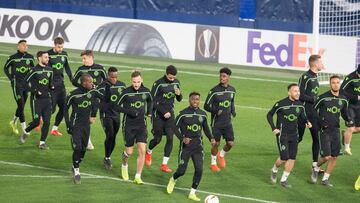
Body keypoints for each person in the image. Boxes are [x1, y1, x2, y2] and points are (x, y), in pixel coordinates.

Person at [167, 92, 215, 201]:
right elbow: (173, 127)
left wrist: (211, 138)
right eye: (193, 99)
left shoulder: (203, 114)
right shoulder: (183, 114)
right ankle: (173, 178)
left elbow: (206, 128)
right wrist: (182, 138)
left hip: (198, 146)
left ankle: (192, 193)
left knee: (199, 169)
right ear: (189, 100)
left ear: (199, 100)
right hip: (186, 146)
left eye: (197, 99)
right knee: (181, 171)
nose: (195, 101)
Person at [267, 84, 311, 188]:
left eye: (298, 91)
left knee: (292, 158)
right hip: (282, 134)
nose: (298, 93)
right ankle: (274, 169)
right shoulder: (281, 104)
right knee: (284, 157)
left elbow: (303, 117)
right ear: (289, 92)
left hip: (294, 135)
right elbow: (269, 115)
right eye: (295, 91)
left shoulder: (300, 105)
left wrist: (307, 122)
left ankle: (284, 180)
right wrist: (274, 128)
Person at [311, 75, 353, 186]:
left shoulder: (343, 99)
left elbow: (344, 113)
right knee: (326, 156)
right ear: (330, 84)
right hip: (324, 130)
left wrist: (349, 120)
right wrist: (321, 122)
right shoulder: (323, 97)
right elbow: (313, 111)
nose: (335, 84)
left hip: (336, 130)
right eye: (333, 82)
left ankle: (325, 179)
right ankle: (316, 167)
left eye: (337, 82)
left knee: (334, 157)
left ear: (340, 84)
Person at [64, 73, 102, 184]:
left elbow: (100, 100)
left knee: (83, 150)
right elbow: (65, 110)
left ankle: (75, 163)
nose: (92, 84)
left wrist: (93, 114)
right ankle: (76, 171)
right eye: (90, 82)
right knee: (77, 148)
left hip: (86, 126)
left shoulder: (92, 92)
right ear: (84, 83)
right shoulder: (73, 95)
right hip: (76, 125)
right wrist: (68, 125)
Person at [117, 71, 152, 184]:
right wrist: (129, 111)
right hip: (129, 125)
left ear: (141, 80)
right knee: (130, 152)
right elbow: (116, 106)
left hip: (141, 124)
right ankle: (124, 164)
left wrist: (149, 112)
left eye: (138, 82)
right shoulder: (126, 92)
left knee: (142, 150)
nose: (136, 84)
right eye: (134, 82)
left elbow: (150, 100)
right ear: (131, 81)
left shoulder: (146, 91)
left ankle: (138, 176)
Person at [146, 65, 182, 172]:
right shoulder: (158, 83)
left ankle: (164, 165)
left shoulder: (176, 82)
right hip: (158, 114)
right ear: (166, 74)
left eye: (173, 77)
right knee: (157, 139)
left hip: (169, 114)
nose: (172, 79)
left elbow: (179, 99)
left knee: (170, 138)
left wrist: (179, 95)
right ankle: (149, 151)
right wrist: (163, 111)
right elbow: (152, 100)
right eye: (170, 77)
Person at [72, 50, 106, 150]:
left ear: (90, 57)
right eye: (82, 59)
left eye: (84, 58)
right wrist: (82, 88)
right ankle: (87, 140)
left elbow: (106, 82)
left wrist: (98, 88)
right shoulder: (81, 69)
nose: (83, 61)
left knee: (91, 119)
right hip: (84, 98)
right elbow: (74, 81)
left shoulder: (100, 68)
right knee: (84, 119)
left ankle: (85, 137)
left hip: (95, 98)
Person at [20, 51, 54, 150]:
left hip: (47, 100)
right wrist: (34, 91)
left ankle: (42, 142)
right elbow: (24, 83)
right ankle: (26, 131)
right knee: (36, 122)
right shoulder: (34, 70)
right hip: (36, 100)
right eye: (45, 57)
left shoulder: (50, 70)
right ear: (39, 58)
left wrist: (52, 86)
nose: (48, 59)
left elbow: (50, 83)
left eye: (48, 57)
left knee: (47, 122)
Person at [204, 67, 236, 172]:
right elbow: (206, 106)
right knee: (215, 144)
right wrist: (215, 110)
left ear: (228, 77)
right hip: (216, 123)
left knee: (230, 143)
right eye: (221, 76)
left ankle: (221, 155)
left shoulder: (232, 90)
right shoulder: (214, 91)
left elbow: (231, 102)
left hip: (227, 123)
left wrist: (233, 111)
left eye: (224, 76)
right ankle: (213, 163)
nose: (221, 78)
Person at [298, 54, 324, 170]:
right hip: (303, 113)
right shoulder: (305, 77)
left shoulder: (314, 76)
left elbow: (312, 95)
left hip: (313, 113)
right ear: (315, 63)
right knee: (298, 138)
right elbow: (300, 95)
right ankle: (284, 152)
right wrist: (314, 99)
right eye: (320, 62)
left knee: (316, 138)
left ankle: (315, 165)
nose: (322, 64)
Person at [97, 67, 126, 169]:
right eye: (112, 77)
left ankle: (107, 157)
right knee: (110, 134)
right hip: (105, 115)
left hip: (117, 115)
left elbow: (125, 98)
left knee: (113, 137)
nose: (114, 79)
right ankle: (107, 158)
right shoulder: (102, 86)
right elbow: (97, 101)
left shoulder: (122, 85)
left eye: (116, 77)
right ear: (108, 76)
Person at [4, 40, 35, 135]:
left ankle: (13, 121)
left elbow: (33, 70)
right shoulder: (12, 58)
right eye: (23, 45)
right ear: (18, 46)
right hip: (16, 85)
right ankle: (25, 129)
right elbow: (5, 68)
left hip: (26, 85)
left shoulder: (30, 57)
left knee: (21, 105)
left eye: (26, 45)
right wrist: (11, 78)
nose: (25, 47)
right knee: (21, 105)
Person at [48, 37, 72, 136]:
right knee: (52, 109)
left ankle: (54, 129)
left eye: (62, 47)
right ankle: (39, 119)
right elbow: (46, 70)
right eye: (59, 47)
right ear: (54, 45)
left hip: (61, 85)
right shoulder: (48, 54)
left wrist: (71, 78)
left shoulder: (64, 54)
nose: (60, 49)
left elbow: (67, 67)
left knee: (64, 108)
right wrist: (49, 84)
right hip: (52, 85)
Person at [340, 64, 360, 155]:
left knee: (357, 128)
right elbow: (341, 91)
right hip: (349, 106)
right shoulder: (350, 78)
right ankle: (347, 148)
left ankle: (345, 133)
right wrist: (356, 97)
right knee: (351, 127)